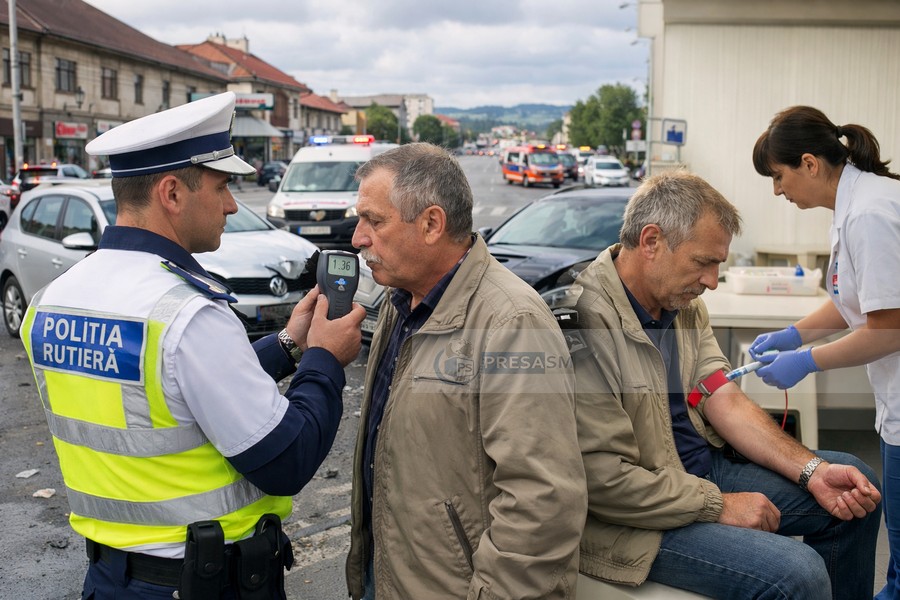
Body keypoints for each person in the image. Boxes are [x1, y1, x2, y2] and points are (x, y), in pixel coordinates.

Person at [19, 92, 365, 599]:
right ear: (172, 193)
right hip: (203, 582)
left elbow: (167, 391)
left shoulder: (52, 300)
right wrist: (325, 358)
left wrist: (291, 343)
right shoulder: (186, 313)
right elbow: (288, 459)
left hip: (109, 579)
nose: (231, 205)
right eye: (222, 187)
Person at [569, 170, 882, 599]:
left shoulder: (682, 306)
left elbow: (722, 395)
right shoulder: (584, 324)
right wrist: (719, 505)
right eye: (704, 262)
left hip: (699, 471)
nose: (713, 281)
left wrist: (813, 472)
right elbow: (604, 480)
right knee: (798, 572)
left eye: (718, 264)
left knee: (856, 489)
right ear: (651, 241)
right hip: (632, 516)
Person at [344, 143, 587, 599]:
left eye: (374, 221)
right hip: (394, 576)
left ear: (432, 224)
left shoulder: (512, 321)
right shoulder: (401, 301)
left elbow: (542, 501)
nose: (358, 238)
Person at [750, 105, 900, 599]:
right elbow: (854, 300)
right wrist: (793, 336)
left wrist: (806, 362)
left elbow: (888, 330)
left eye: (778, 176)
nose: (777, 190)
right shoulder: (855, 206)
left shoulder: (870, 213)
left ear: (810, 164)